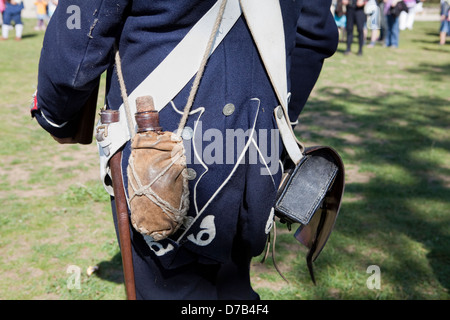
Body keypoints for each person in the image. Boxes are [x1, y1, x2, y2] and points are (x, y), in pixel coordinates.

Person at [31, 0, 338, 300]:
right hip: (258, 149)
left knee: (170, 287)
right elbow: (313, 32)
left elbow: (83, 28)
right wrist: (280, 121)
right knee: (232, 284)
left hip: (159, 151)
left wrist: (57, 117)